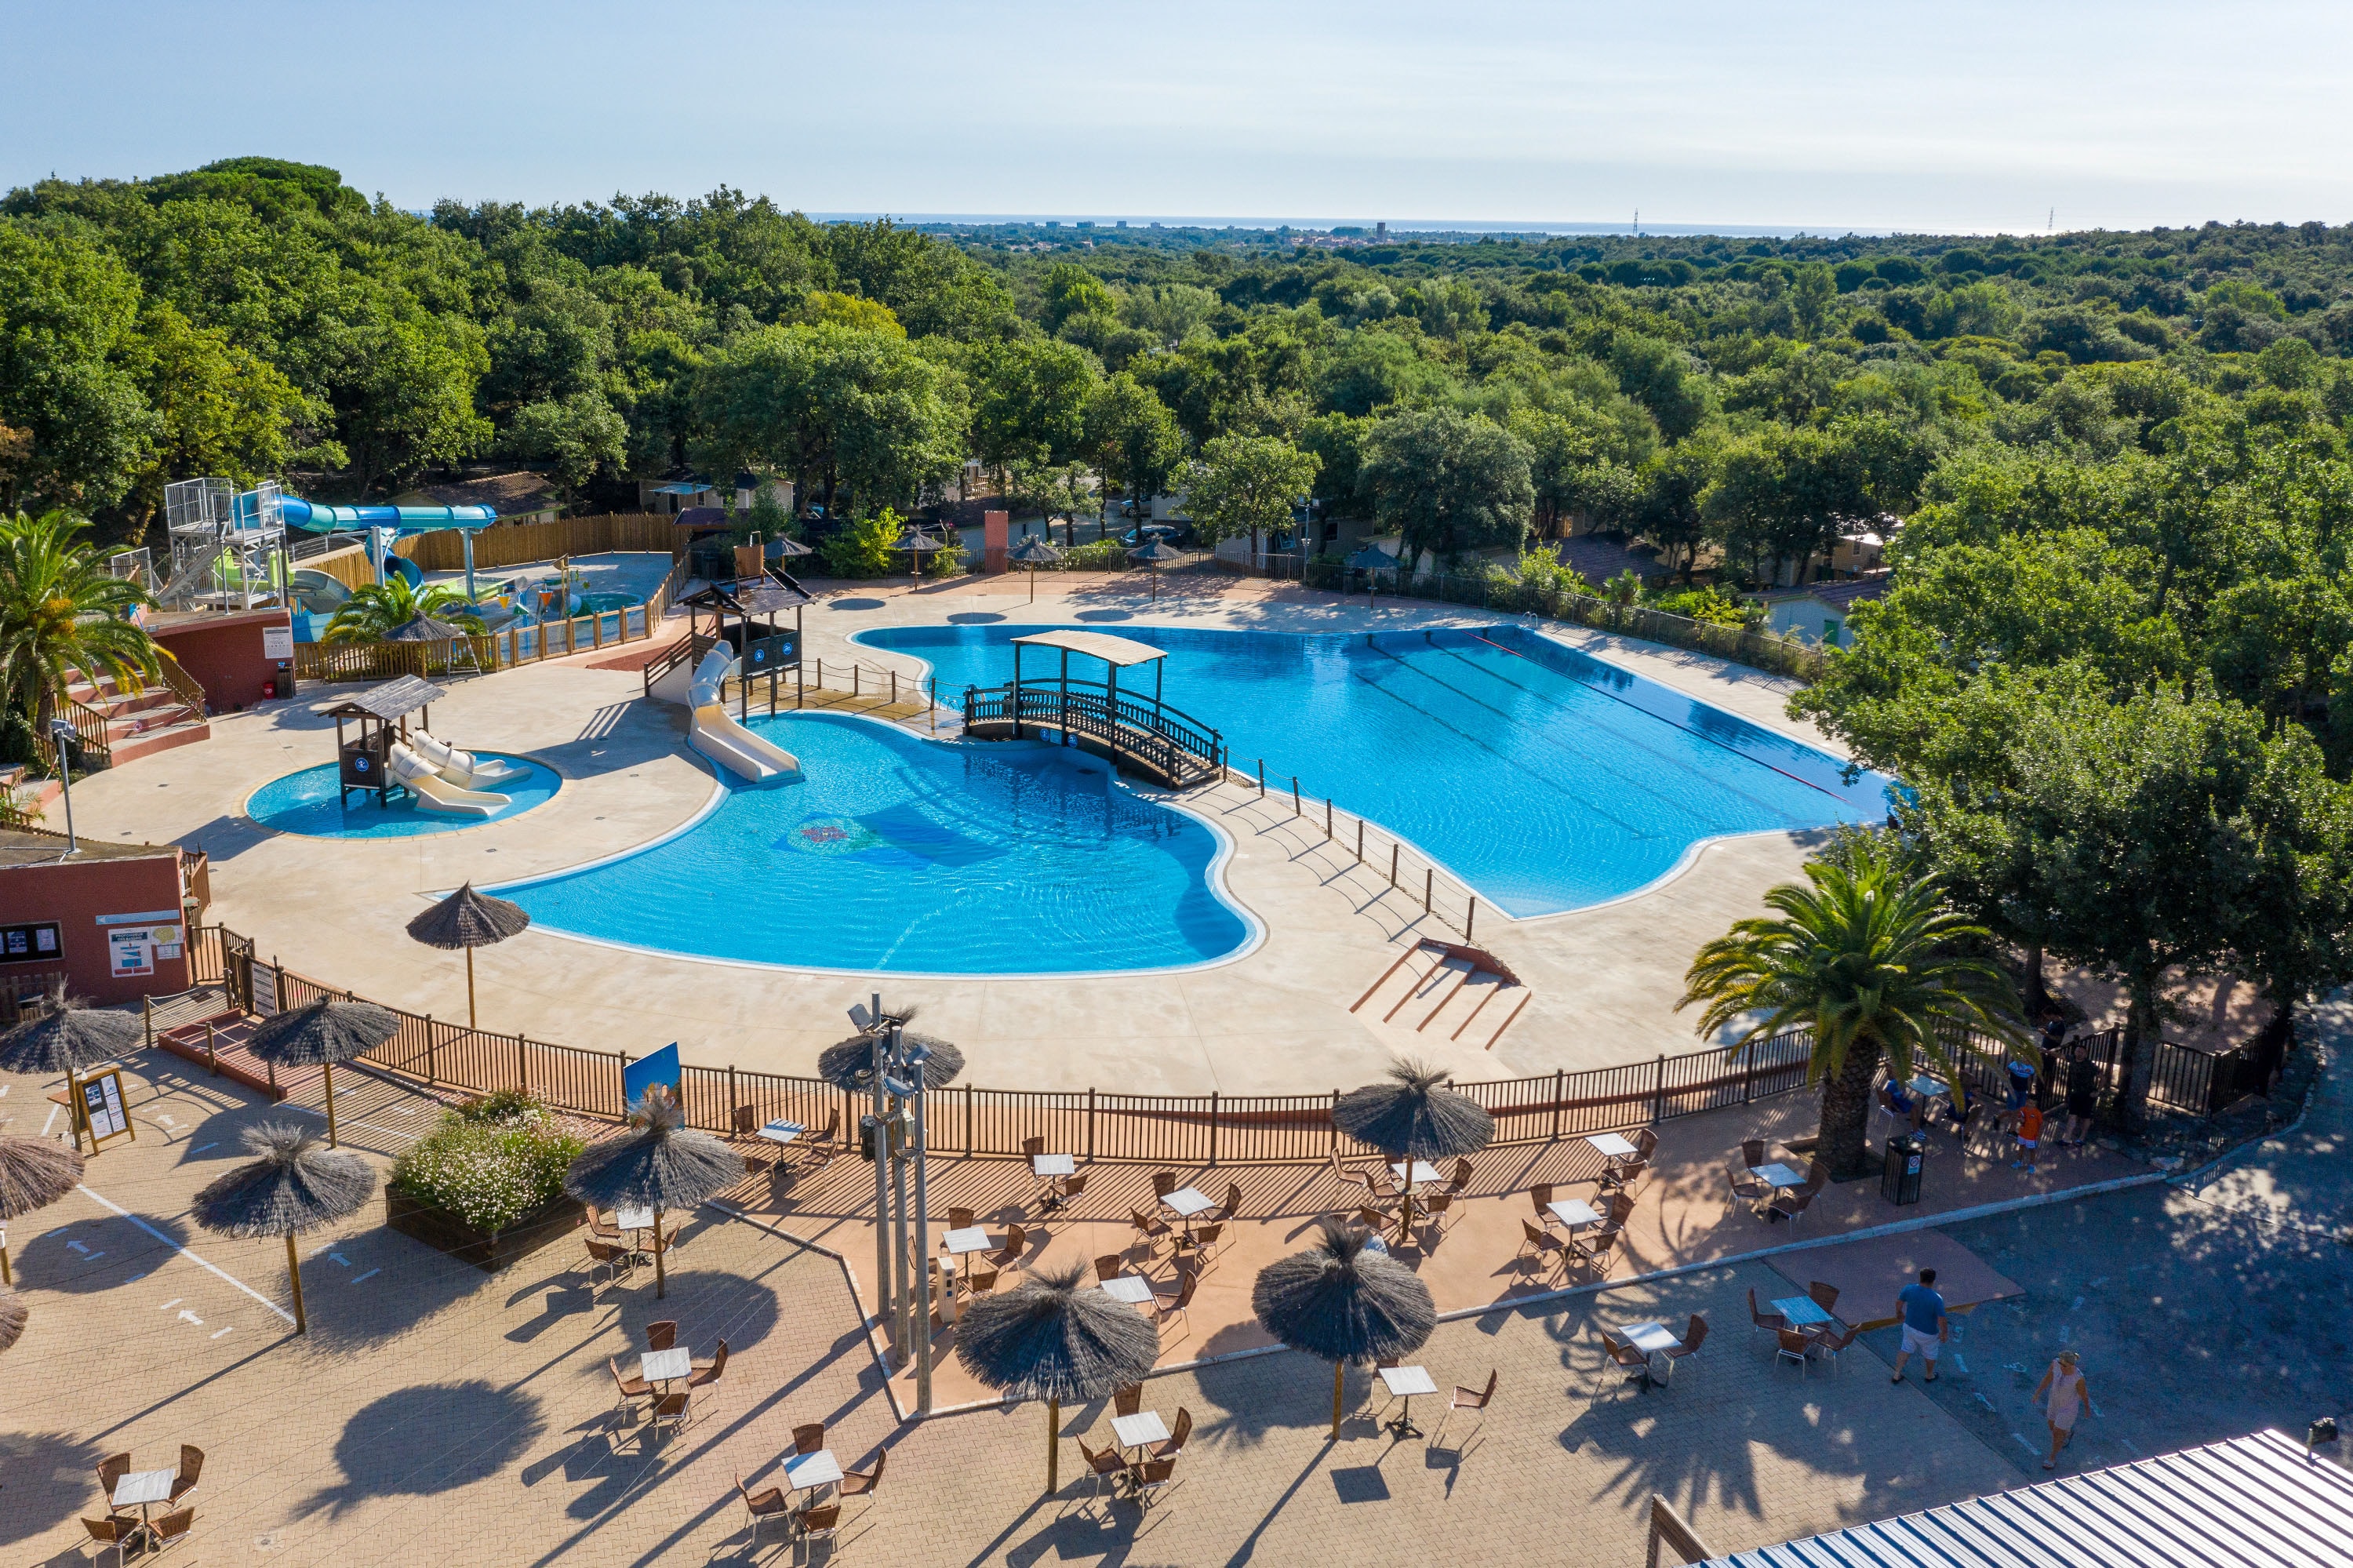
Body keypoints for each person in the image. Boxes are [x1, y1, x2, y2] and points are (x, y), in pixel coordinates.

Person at [2034, 1348, 2089, 1468]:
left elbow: (2083, 1394)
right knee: (2052, 1426)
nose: (2062, 1366)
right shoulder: (2055, 1364)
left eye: (2064, 1365)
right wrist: (2037, 1393)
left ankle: (2052, 1458)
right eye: (2061, 1363)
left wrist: (2087, 1408)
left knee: (2057, 1433)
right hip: (2054, 1402)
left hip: (2068, 1408)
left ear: (2071, 1365)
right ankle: (2067, 1432)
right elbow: (2048, 1378)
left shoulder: (2078, 1378)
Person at [1890, 1267, 1947, 1384]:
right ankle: (1929, 1375)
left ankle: (1897, 1374)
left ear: (1920, 1278)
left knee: (1905, 1348)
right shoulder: (1936, 1298)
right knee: (1930, 1352)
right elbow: (1941, 1319)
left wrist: (1899, 1313)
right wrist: (1944, 1333)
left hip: (1909, 1326)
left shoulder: (1909, 1289)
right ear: (1933, 1281)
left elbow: (1899, 1302)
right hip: (1928, 1333)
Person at [2061, 1040, 2101, 1146]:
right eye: (2078, 1051)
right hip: (2076, 1093)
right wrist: (2046, 1051)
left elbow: (2103, 1077)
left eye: (2082, 1052)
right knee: (2072, 1115)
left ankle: (2082, 1138)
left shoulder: (2090, 1065)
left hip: (2088, 1094)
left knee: (2085, 1117)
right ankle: (2067, 1139)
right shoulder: (2073, 1059)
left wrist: (2097, 1091)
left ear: (2086, 1054)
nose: (2079, 1053)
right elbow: (2061, 1056)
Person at [2011, 1101, 2044, 1173]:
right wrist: (2020, 1120)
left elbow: (2041, 1124)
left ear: (2035, 1105)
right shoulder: (2023, 1110)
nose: (2029, 1104)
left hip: (2032, 1136)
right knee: (2021, 1147)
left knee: (2032, 1150)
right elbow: (2020, 1119)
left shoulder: (2037, 1113)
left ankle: (2032, 1166)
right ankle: (2019, 1162)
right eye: (2028, 1102)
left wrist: (2039, 1135)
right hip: (2022, 1134)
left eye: (2032, 1103)